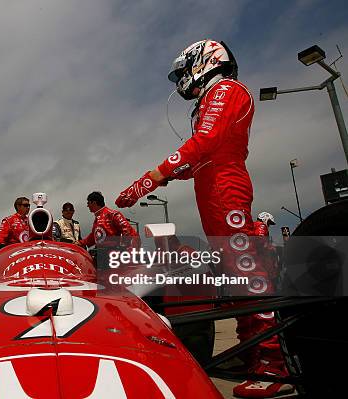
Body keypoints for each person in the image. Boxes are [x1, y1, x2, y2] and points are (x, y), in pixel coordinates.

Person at [114, 39, 292, 398]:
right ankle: (252, 354)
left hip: (225, 184)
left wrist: (153, 176)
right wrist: (156, 180)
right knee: (234, 270)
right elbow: (199, 157)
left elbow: (208, 139)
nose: (182, 79)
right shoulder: (213, 96)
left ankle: (273, 365)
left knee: (246, 270)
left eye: (183, 71)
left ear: (203, 61)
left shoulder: (226, 89)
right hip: (212, 185)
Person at [78, 192, 140, 266]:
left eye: (88, 203)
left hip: (113, 256)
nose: (87, 205)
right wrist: (80, 243)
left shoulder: (113, 214)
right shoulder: (97, 218)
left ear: (94, 202)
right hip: (102, 256)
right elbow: (94, 237)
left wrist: (124, 250)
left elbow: (128, 231)